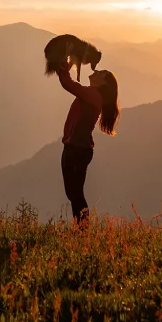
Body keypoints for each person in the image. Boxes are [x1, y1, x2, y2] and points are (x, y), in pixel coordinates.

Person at [54, 59, 120, 225]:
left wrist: (64, 69)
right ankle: (81, 229)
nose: (96, 71)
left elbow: (69, 84)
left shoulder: (93, 94)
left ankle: (83, 230)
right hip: (77, 148)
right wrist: (63, 70)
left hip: (77, 148)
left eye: (100, 73)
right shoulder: (93, 94)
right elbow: (70, 84)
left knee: (75, 193)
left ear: (103, 83)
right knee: (73, 193)